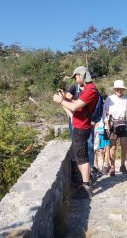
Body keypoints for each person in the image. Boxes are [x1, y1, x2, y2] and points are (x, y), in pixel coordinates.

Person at [53, 66, 98, 198]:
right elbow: (77, 102)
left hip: (81, 126)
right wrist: (64, 99)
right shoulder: (88, 90)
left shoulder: (91, 90)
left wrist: (61, 101)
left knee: (82, 157)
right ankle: (84, 183)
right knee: (80, 156)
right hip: (80, 125)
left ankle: (86, 186)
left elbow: (75, 106)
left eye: (76, 76)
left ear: (82, 75)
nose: (75, 79)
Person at [103, 80, 127, 176]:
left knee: (124, 144)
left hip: (123, 124)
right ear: (115, 89)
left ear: (123, 89)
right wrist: (106, 122)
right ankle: (112, 167)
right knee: (113, 146)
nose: (119, 90)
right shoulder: (109, 99)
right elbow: (104, 113)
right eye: (117, 89)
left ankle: (123, 165)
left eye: (121, 89)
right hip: (112, 124)